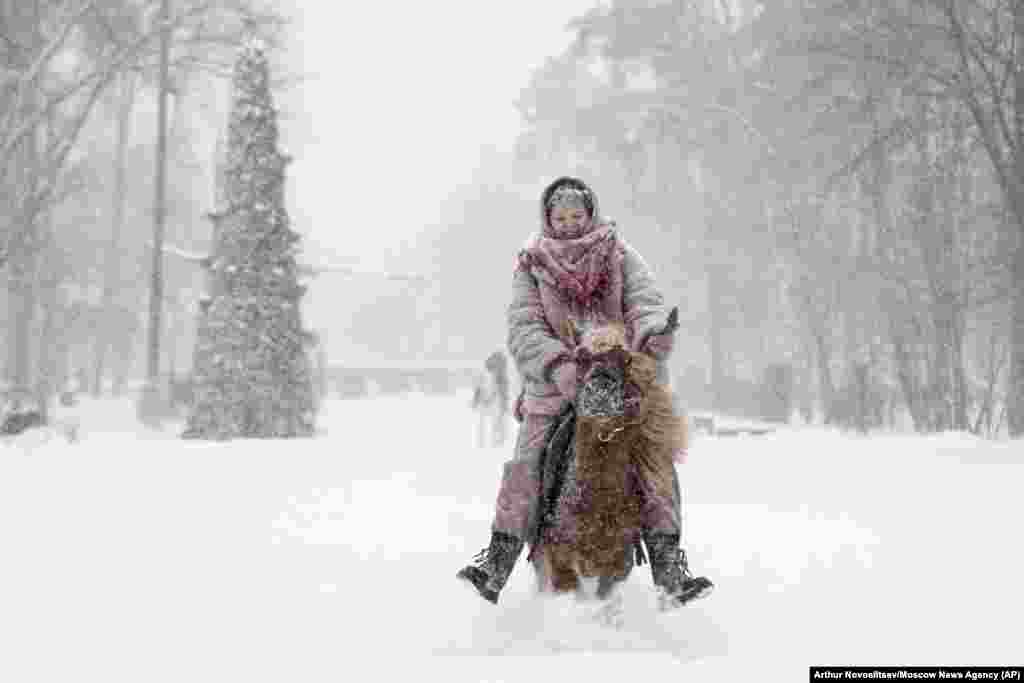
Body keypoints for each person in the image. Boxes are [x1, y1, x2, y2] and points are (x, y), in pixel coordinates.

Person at [456, 176, 713, 606]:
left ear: (591, 214)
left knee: (655, 461)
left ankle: (669, 568)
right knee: (528, 461)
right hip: (556, 384)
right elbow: (524, 326)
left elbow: (645, 303)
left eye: (578, 215)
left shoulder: (620, 254)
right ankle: (497, 559)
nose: (571, 223)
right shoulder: (531, 265)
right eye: (561, 217)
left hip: (621, 376)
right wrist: (558, 365)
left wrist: (653, 335)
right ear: (548, 219)